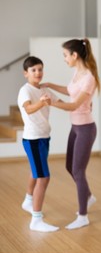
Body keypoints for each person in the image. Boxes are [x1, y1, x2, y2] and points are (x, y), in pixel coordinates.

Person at [40, 38, 100, 229]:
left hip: (85, 129)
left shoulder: (89, 77)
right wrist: (49, 84)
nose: (64, 59)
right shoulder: (78, 73)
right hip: (75, 127)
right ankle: (88, 196)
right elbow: (69, 90)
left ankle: (83, 216)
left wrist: (51, 103)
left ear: (75, 55)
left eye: (65, 55)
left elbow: (74, 104)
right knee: (69, 166)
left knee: (78, 171)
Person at [18, 56, 60, 232]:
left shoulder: (43, 89)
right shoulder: (25, 90)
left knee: (36, 172)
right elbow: (28, 109)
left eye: (40, 69)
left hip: (44, 137)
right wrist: (41, 102)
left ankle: (28, 200)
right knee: (43, 176)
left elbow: (60, 102)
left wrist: (80, 105)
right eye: (34, 70)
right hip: (33, 139)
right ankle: (36, 219)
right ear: (26, 73)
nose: (38, 73)